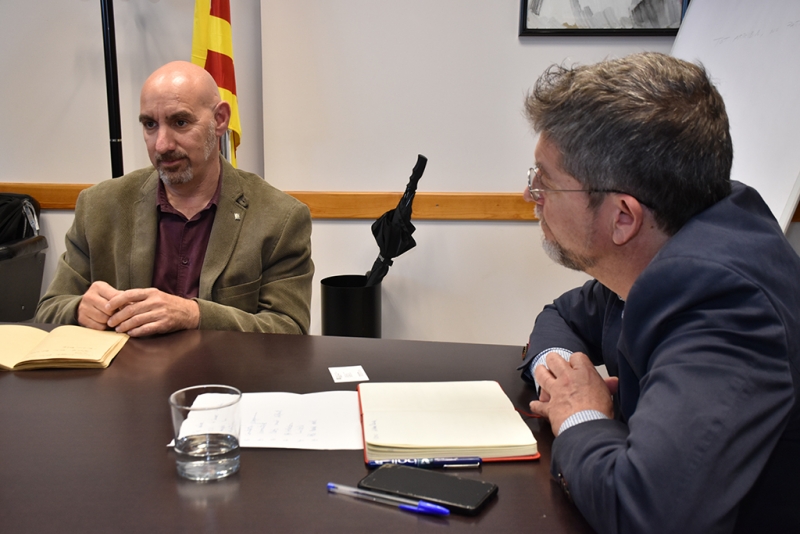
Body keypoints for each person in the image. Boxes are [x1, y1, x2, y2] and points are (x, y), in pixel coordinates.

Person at [519, 52, 800, 533]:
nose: (531, 197)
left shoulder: (721, 300)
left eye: (544, 183)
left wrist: (578, 412)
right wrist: (566, 375)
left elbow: (646, 515)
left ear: (622, 217)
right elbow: (561, 315)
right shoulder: (668, 238)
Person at [35, 61, 313, 337]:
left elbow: (290, 329)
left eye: (180, 122)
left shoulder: (280, 218)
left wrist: (194, 315)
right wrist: (78, 309)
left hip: (226, 377)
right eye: (150, 124)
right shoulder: (99, 206)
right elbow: (49, 309)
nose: (162, 144)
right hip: (128, 377)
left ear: (219, 120)